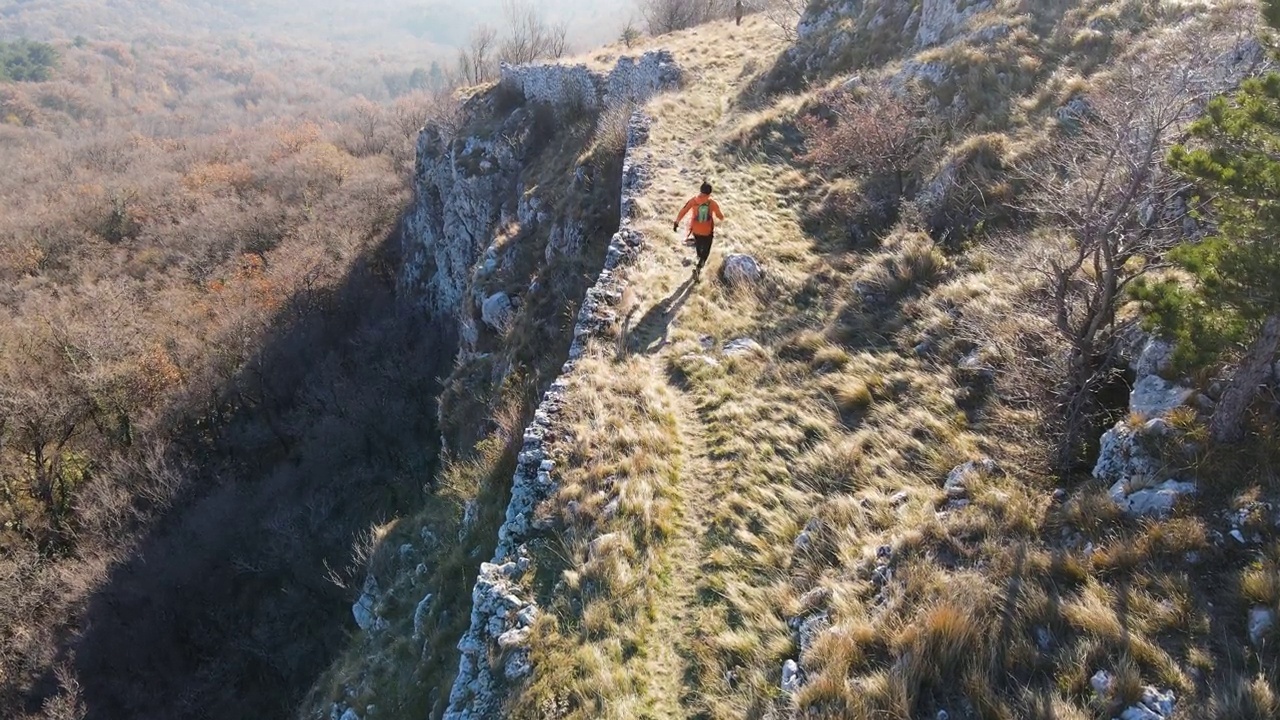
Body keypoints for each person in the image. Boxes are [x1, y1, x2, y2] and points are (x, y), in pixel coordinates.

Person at [674, 181, 724, 274]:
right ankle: (699, 267)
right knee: (706, 251)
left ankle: (698, 258)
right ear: (709, 193)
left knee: (698, 245)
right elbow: (720, 216)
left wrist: (676, 222)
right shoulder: (712, 203)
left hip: (695, 230)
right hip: (707, 231)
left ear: (700, 190)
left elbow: (683, 211)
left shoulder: (693, 201)